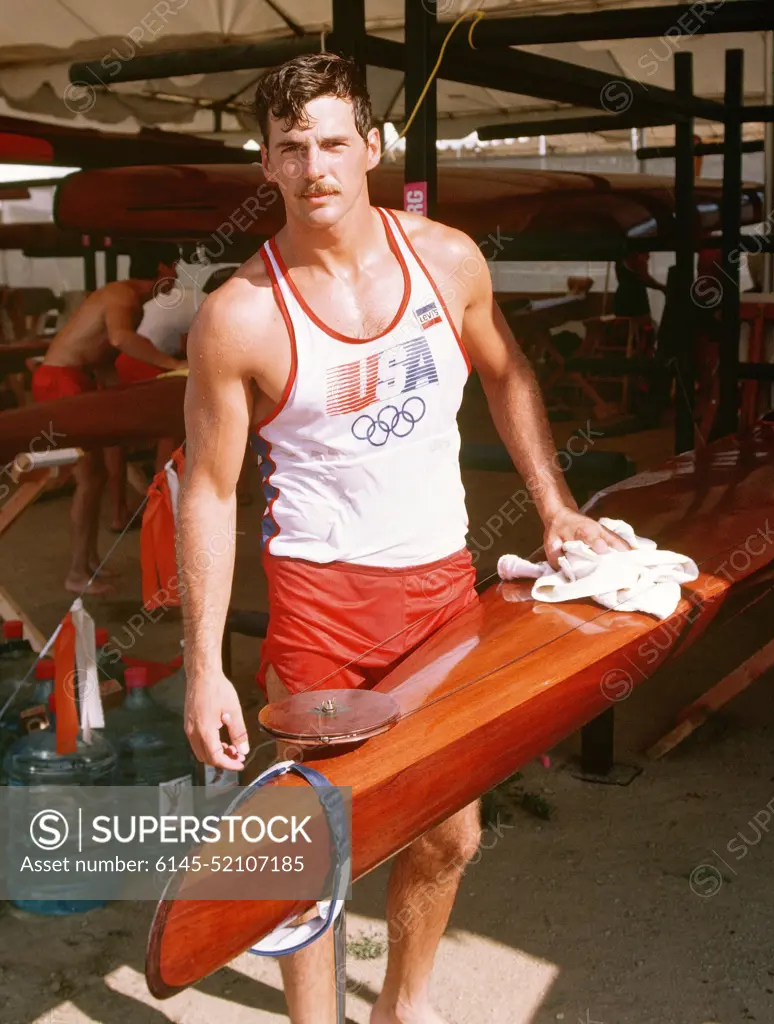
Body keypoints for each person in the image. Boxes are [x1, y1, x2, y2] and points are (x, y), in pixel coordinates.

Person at [179, 53, 629, 1024]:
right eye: (291, 148)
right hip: (320, 603)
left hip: (439, 589)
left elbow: (508, 375)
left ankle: (403, 1004)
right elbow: (209, 491)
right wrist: (204, 663)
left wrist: (552, 505)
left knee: (449, 835)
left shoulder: (448, 258)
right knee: (312, 848)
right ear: (263, 164)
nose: (316, 167)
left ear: (372, 148)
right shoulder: (238, 316)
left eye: (335, 142)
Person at [31, 243, 184, 595]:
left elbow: (104, 358)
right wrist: (173, 365)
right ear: (163, 267)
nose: (178, 276)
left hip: (76, 378)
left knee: (95, 476)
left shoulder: (128, 299)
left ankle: (88, 566)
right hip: (61, 380)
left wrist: (139, 398)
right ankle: (76, 572)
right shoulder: (122, 294)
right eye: (177, 268)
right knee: (88, 476)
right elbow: (120, 338)